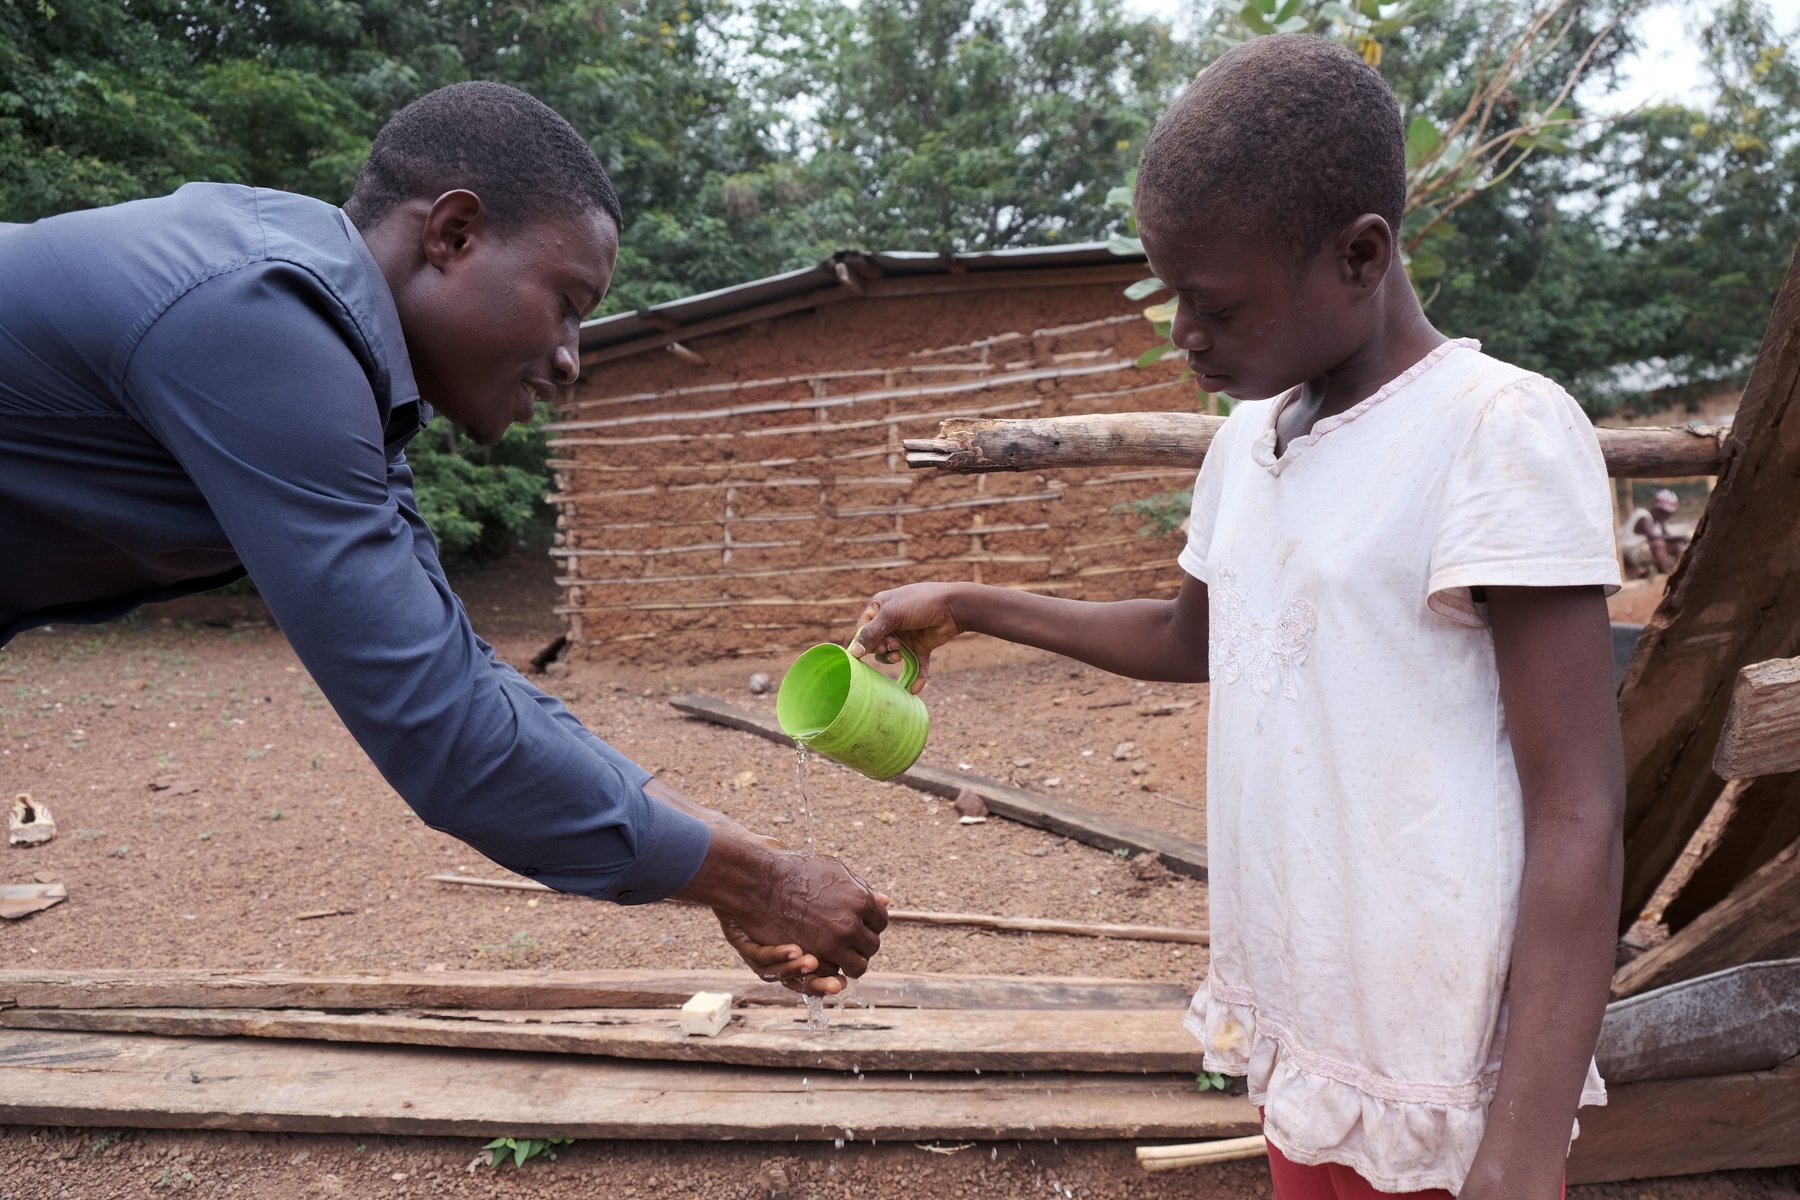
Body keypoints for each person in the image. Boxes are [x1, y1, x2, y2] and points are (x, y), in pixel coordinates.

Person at [849, 35, 1623, 1200]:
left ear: (1360, 255)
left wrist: (1520, 1152)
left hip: (1437, 1053)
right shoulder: (1246, 443)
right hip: (1307, 1009)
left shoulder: (1493, 433)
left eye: (1212, 307)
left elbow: (1580, 808)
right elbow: (1191, 636)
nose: (1184, 337)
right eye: (1172, 299)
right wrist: (969, 602)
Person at [0, 81, 885, 994]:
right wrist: (760, 883)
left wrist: (741, 863)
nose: (574, 358)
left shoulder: (339, 366)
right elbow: (446, 734)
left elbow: (464, 668)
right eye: (568, 302)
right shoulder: (262, 323)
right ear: (454, 235)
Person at [1619, 488, 1688, 577]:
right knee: (1658, 544)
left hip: (1643, 549)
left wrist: (1679, 542)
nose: (1669, 516)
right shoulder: (1644, 517)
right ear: (1659, 509)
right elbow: (1653, 537)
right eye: (1668, 513)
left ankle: (1682, 572)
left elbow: (1668, 536)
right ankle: (1668, 574)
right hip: (1630, 551)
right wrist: (1679, 537)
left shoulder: (1659, 519)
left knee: (1677, 545)